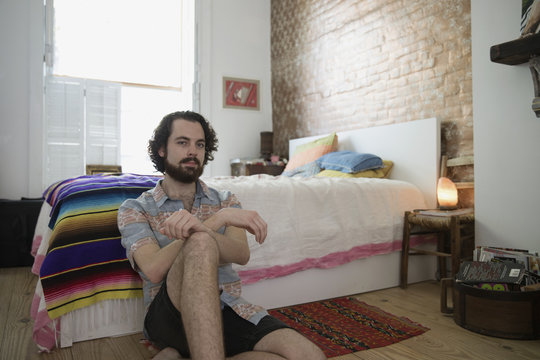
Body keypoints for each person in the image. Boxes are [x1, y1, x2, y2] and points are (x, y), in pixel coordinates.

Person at [118, 111, 326, 360]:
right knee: (201, 242)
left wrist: (209, 221)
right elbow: (152, 269)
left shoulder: (225, 199)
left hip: (227, 308)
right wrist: (216, 220)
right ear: (162, 149)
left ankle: (182, 356)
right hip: (169, 314)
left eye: (200, 144)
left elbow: (240, 253)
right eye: (183, 142)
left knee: (308, 356)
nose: (193, 151)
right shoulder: (136, 208)